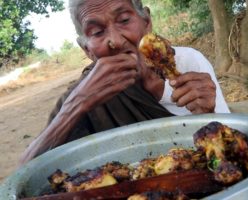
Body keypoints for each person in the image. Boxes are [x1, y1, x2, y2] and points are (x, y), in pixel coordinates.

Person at [19, 0, 230, 166]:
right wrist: (77, 104)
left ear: (146, 22)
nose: (116, 40)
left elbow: (232, 150)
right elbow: (25, 176)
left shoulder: (187, 63)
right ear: (87, 50)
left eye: (124, 20)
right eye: (98, 32)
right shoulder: (81, 95)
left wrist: (209, 115)